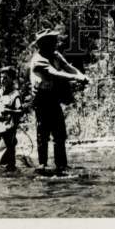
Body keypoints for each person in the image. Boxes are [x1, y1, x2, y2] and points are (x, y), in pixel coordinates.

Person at [29, 28, 88, 175]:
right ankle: (42, 165)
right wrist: (75, 78)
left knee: (59, 133)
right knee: (43, 133)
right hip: (41, 99)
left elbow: (68, 67)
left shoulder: (55, 55)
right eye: (52, 40)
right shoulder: (38, 60)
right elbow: (54, 73)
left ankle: (61, 165)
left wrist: (81, 75)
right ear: (43, 43)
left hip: (53, 98)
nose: (56, 42)